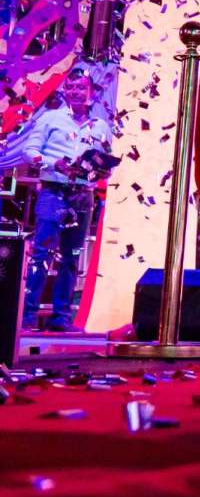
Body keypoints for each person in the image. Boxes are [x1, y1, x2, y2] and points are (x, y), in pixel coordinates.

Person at [20, 68, 113, 332]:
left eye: (81, 87)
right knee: (42, 253)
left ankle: (61, 318)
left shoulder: (100, 126)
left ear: (91, 92)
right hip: (53, 192)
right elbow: (28, 151)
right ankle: (26, 315)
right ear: (64, 91)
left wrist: (103, 171)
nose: (75, 92)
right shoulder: (50, 118)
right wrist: (54, 163)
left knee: (71, 257)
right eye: (70, 87)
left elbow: (105, 161)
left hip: (82, 195)